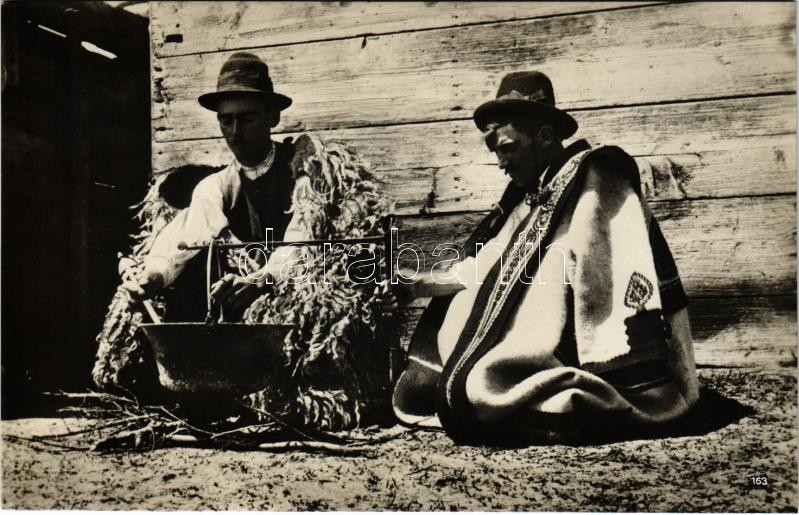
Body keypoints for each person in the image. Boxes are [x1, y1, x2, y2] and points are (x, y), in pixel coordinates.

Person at [391, 71, 699, 445]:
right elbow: (491, 264)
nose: (501, 163)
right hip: (537, 336)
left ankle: (555, 385)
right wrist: (422, 284)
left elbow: (605, 274)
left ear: (546, 137)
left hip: (582, 339)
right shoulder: (528, 197)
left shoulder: (596, 178)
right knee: (469, 379)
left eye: (508, 148)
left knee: (480, 388)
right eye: (496, 152)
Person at [123, 52, 308, 321]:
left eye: (247, 118)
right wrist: (152, 279)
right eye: (226, 120)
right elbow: (182, 242)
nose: (235, 132)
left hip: (294, 307)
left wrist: (263, 279)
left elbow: (303, 244)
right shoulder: (214, 188)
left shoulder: (303, 175)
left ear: (273, 117)